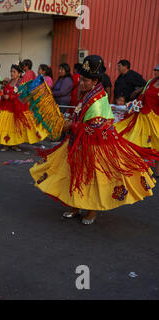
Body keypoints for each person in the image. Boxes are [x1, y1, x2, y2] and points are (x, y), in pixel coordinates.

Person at [30, 55, 158, 225]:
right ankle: (75, 205)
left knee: (91, 180)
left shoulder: (99, 99)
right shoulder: (90, 93)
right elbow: (81, 113)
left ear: (96, 80)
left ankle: (92, 210)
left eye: (85, 80)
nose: (81, 83)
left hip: (95, 145)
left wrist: (72, 126)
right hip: (79, 142)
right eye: (81, 79)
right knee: (72, 174)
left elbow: (95, 128)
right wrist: (70, 119)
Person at [0, 63, 49, 152]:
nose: (12, 73)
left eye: (14, 72)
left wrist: (9, 97)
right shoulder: (9, 82)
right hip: (6, 109)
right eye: (11, 71)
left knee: (16, 128)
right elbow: (5, 93)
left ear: (19, 74)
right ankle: (5, 144)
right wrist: (3, 96)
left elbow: (22, 96)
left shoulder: (20, 84)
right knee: (6, 127)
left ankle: (14, 144)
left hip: (16, 109)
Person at [115, 64, 159, 177]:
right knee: (133, 139)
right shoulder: (151, 81)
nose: (156, 73)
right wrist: (131, 107)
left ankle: (157, 170)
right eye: (156, 70)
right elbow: (142, 97)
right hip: (142, 117)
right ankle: (136, 167)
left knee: (156, 144)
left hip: (155, 119)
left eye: (158, 71)